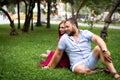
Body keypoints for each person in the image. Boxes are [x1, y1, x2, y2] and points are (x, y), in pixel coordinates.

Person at [44, 18, 120, 79]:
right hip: (77, 64)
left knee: (98, 48)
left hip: (90, 59)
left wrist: (105, 50)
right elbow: (58, 54)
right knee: (79, 70)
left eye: (67, 27)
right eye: (65, 27)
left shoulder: (85, 33)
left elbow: (98, 39)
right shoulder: (64, 38)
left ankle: (114, 73)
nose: (65, 29)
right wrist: (50, 66)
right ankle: (101, 70)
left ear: (74, 26)